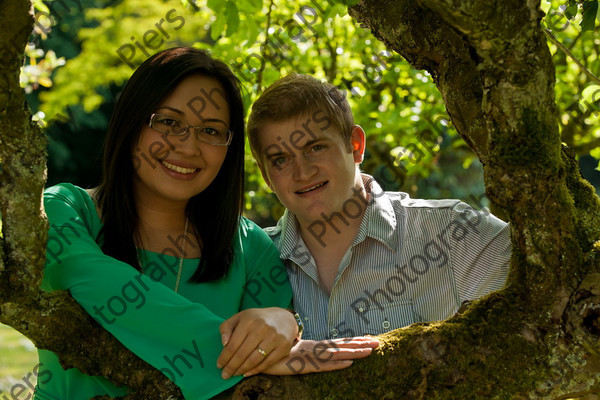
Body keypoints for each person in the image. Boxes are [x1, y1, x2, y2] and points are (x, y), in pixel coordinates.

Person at [35, 49, 378, 400]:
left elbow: (269, 383)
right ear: (132, 121)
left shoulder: (252, 250)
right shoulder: (62, 209)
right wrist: (235, 350)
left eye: (211, 130)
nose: (188, 146)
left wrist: (283, 324)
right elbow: (81, 275)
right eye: (169, 122)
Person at [247, 73, 511, 341]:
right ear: (266, 175)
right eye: (281, 159)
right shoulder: (248, 265)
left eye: (315, 148)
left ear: (356, 145)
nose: (302, 172)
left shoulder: (453, 233)